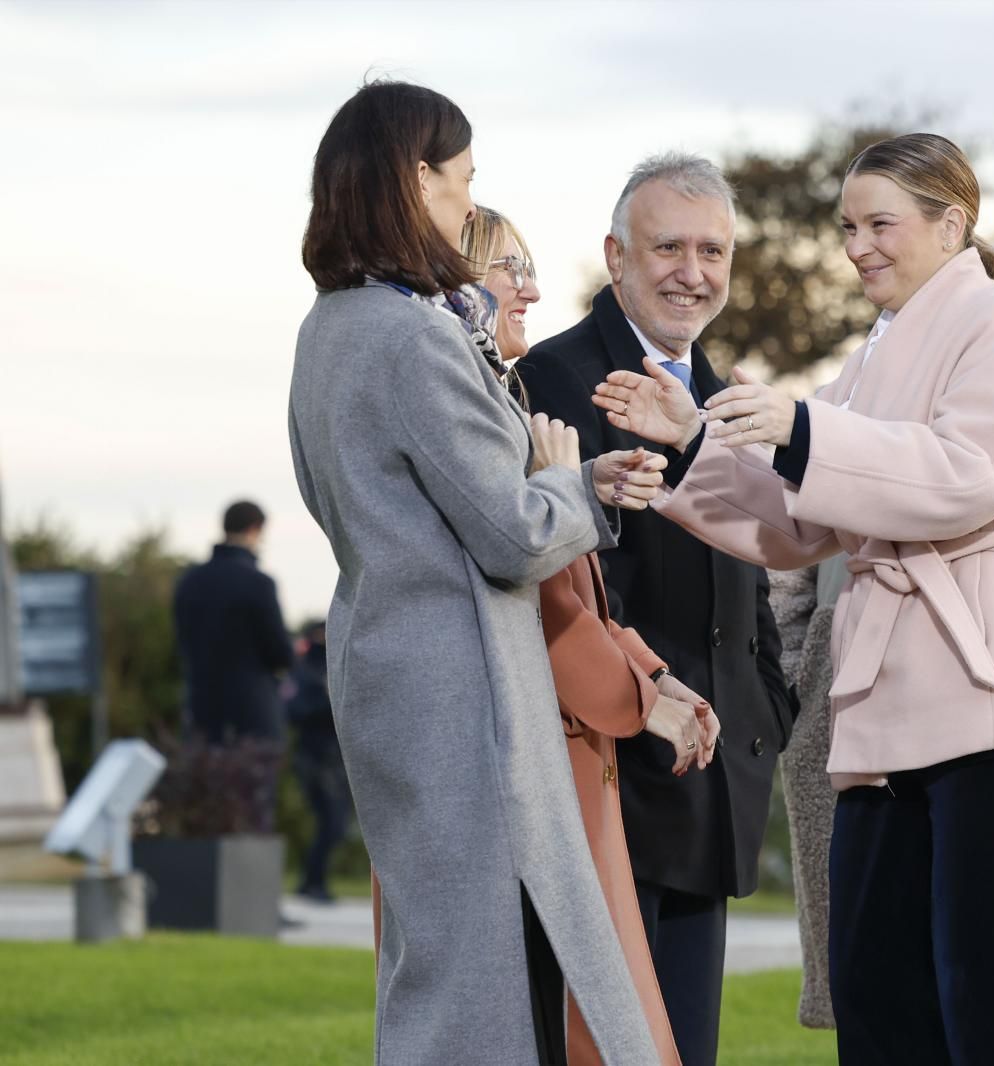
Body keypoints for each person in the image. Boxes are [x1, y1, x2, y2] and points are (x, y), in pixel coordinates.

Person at [596, 133, 994, 1066]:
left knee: (990, 1005)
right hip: (884, 716)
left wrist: (799, 425)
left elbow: (968, 474)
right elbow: (797, 527)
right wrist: (692, 447)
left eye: (881, 223)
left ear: (951, 224)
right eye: (847, 227)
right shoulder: (872, 359)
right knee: (874, 998)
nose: (857, 247)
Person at [289, 80, 659, 1064]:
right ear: (415, 179)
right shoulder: (413, 335)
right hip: (461, 686)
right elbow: (512, 533)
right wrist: (587, 486)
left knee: (436, 959)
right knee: (471, 983)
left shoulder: (326, 329)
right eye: (461, 179)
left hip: (384, 666)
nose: (465, 201)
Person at [373, 206, 722, 1066]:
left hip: (550, 738)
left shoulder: (500, 389)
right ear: (452, 278)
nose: (530, 287)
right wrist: (641, 693)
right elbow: (527, 583)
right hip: (524, 749)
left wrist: (649, 673)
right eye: (506, 269)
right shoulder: (477, 399)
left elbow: (571, 589)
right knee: (551, 1017)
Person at [516, 154, 798, 1066]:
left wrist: (766, 702)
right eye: (667, 245)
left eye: (712, 250)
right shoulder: (552, 381)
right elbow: (557, 581)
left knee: (689, 1047)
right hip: (610, 769)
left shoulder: (725, 395)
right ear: (616, 255)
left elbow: (756, 564)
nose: (693, 271)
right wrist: (641, 704)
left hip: (712, 772)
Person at [770, 464, 994, 1029]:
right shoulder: (843, 414)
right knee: (873, 982)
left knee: (990, 985)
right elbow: (784, 572)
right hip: (850, 700)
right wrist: (800, 684)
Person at [173, 500, 294, 746]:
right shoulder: (258, 583)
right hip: (252, 713)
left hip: (201, 708)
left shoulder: (189, 582)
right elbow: (280, 653)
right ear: (255, 529)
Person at [286, 620, 347, 903]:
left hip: (332, 759)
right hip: (315, 759)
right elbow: (295, 711)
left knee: (333, 824)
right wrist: (328, 705)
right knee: (330, 822)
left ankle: (313, 881)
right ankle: (313, 883)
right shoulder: (306, 672)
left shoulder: (332, 666)